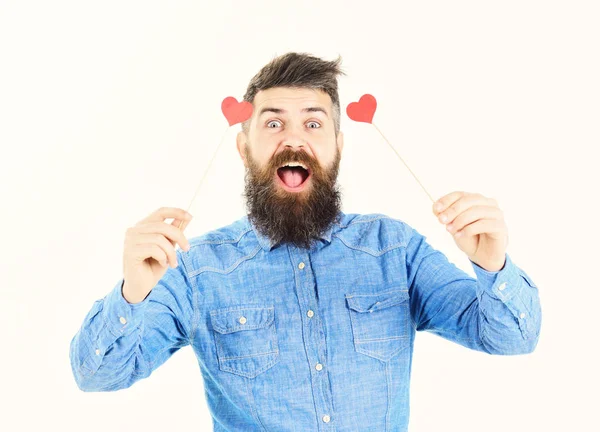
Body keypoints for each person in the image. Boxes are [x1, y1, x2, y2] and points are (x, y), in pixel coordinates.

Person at [69, 52, 542, 431]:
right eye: (273, 123)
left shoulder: (395, 251)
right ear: (243, 146)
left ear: (338, 143)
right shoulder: (196, 269)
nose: (293, 140)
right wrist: (132, 292)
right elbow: (98, 374)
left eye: (313, 124)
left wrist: (493, 264)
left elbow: (512, 338)